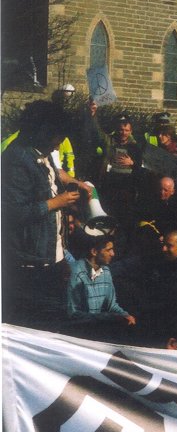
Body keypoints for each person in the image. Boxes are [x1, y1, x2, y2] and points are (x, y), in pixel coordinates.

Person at [1, 100, 90, 326]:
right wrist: (57, 203)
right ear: (43, 131)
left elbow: (53, 172)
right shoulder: (17, 159)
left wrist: (76, 182)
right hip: (30, 266)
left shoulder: (40, 150)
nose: (59, 145)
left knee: (58, 319)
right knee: (40, 327)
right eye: (57, 138)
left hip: (51, 257)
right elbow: (14, 213)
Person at [65, 234, 136, 341]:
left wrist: (124, 315)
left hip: (95, 329)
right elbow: (73, 313)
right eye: (109, 250)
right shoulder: (76, 273)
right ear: (94, 252)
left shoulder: (106, 271)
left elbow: (112, 305)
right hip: (77, 333)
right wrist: (107, 317)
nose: (113, 254)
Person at [100, 113, 145, 227]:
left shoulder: (136, 147)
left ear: (130, 131)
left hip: (127, 188)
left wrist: (132, 163)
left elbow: (143, 167)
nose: (123, 133)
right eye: (121, 130)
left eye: (126, 130)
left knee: (125, 219)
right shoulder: (110, 142)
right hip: (111, 185)